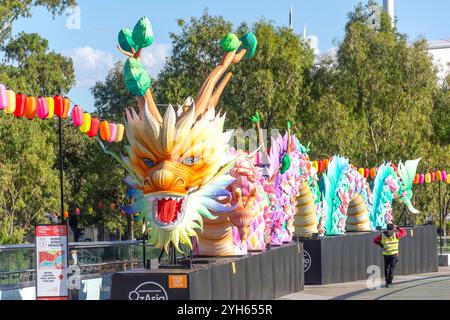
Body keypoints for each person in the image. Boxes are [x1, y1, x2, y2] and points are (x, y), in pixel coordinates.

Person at [373, 223, 407, 288]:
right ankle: (389, 283)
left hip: (386, 254)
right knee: (392, 268)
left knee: (386, 268)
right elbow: (404, 232)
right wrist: (397, 227)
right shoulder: (396, 234)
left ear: (387, 228)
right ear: (393, 228)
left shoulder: (382, 235)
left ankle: (386, 281)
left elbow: (375, 240)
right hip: (394, 254)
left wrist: (382, 245)